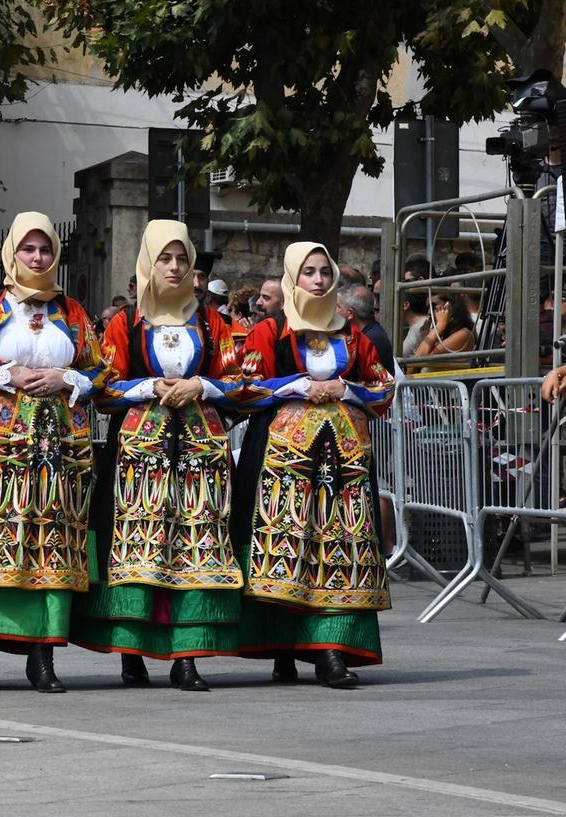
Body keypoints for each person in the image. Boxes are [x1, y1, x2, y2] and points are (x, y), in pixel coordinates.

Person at [75, 220, 243, 691]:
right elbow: (101, 386)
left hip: (201, 451)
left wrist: (201, 385)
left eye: (182, 259)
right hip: (138, 452)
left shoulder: (211, 322)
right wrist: (148, 386)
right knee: (140, 545)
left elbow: (238, 383)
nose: (174, 268)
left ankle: (186, 656)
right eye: (165, 259)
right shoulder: (125, 323)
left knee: (195, 546)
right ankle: (132, 651)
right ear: (148, 264)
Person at [0, 212, 104, 692]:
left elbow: (101, 372)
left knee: (53, 539)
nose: (37, 258)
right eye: (28, 250)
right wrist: (5, 375)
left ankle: (43, 655)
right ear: (12, 253)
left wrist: (67, 377)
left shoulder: (72, 311)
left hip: (61, 445)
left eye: (45, 250)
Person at [231, 241, 395, 688]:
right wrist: (298, 385)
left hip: (345, 462)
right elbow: (244, 388)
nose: (319, 280)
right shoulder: (270, 331)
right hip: (282, 461)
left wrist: (349, 392)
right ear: (292, 279)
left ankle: (331, 651)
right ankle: (282, 645)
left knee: (339, 546)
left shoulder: (351, 334)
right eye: (309, 273)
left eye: (325, 273)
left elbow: (382, 387)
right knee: (287, 546)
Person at [337, 284, 393, 372]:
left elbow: (377, 376)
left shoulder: (370, 340)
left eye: (338, 307)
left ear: (350, 313)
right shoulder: (371, 332)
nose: (334, 311)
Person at [413, 293, 475, 372]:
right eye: (428, 307)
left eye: (433, 306)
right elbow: (411, 370)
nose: (429, 312)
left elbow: (420, 361)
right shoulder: (440, 336)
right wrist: (423, 339)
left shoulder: (464, 334)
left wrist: (440, 326)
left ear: (449, 307)